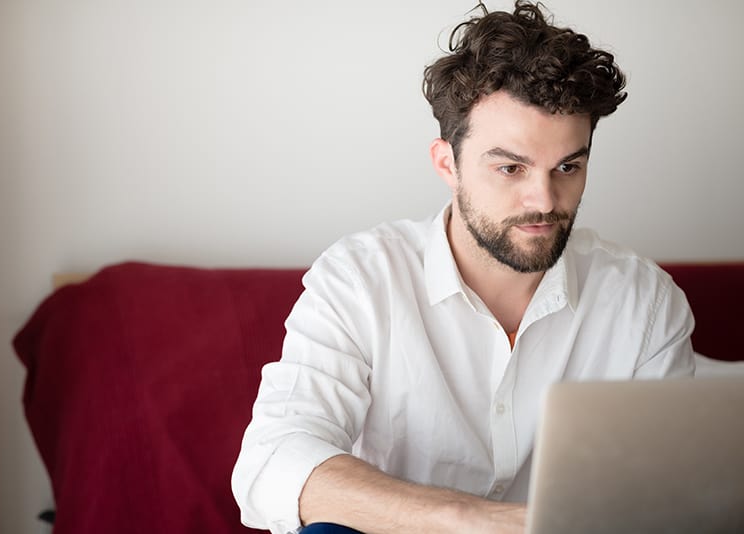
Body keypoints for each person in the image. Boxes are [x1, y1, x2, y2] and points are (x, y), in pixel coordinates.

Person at [231, 2, 695, 533]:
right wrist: (464, 517)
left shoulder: (645, 302)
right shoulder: (360, 279)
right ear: (447, 164)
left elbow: (664, 496)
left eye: (568, 166)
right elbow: (271, 464)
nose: (543, 199)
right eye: (510, 167)